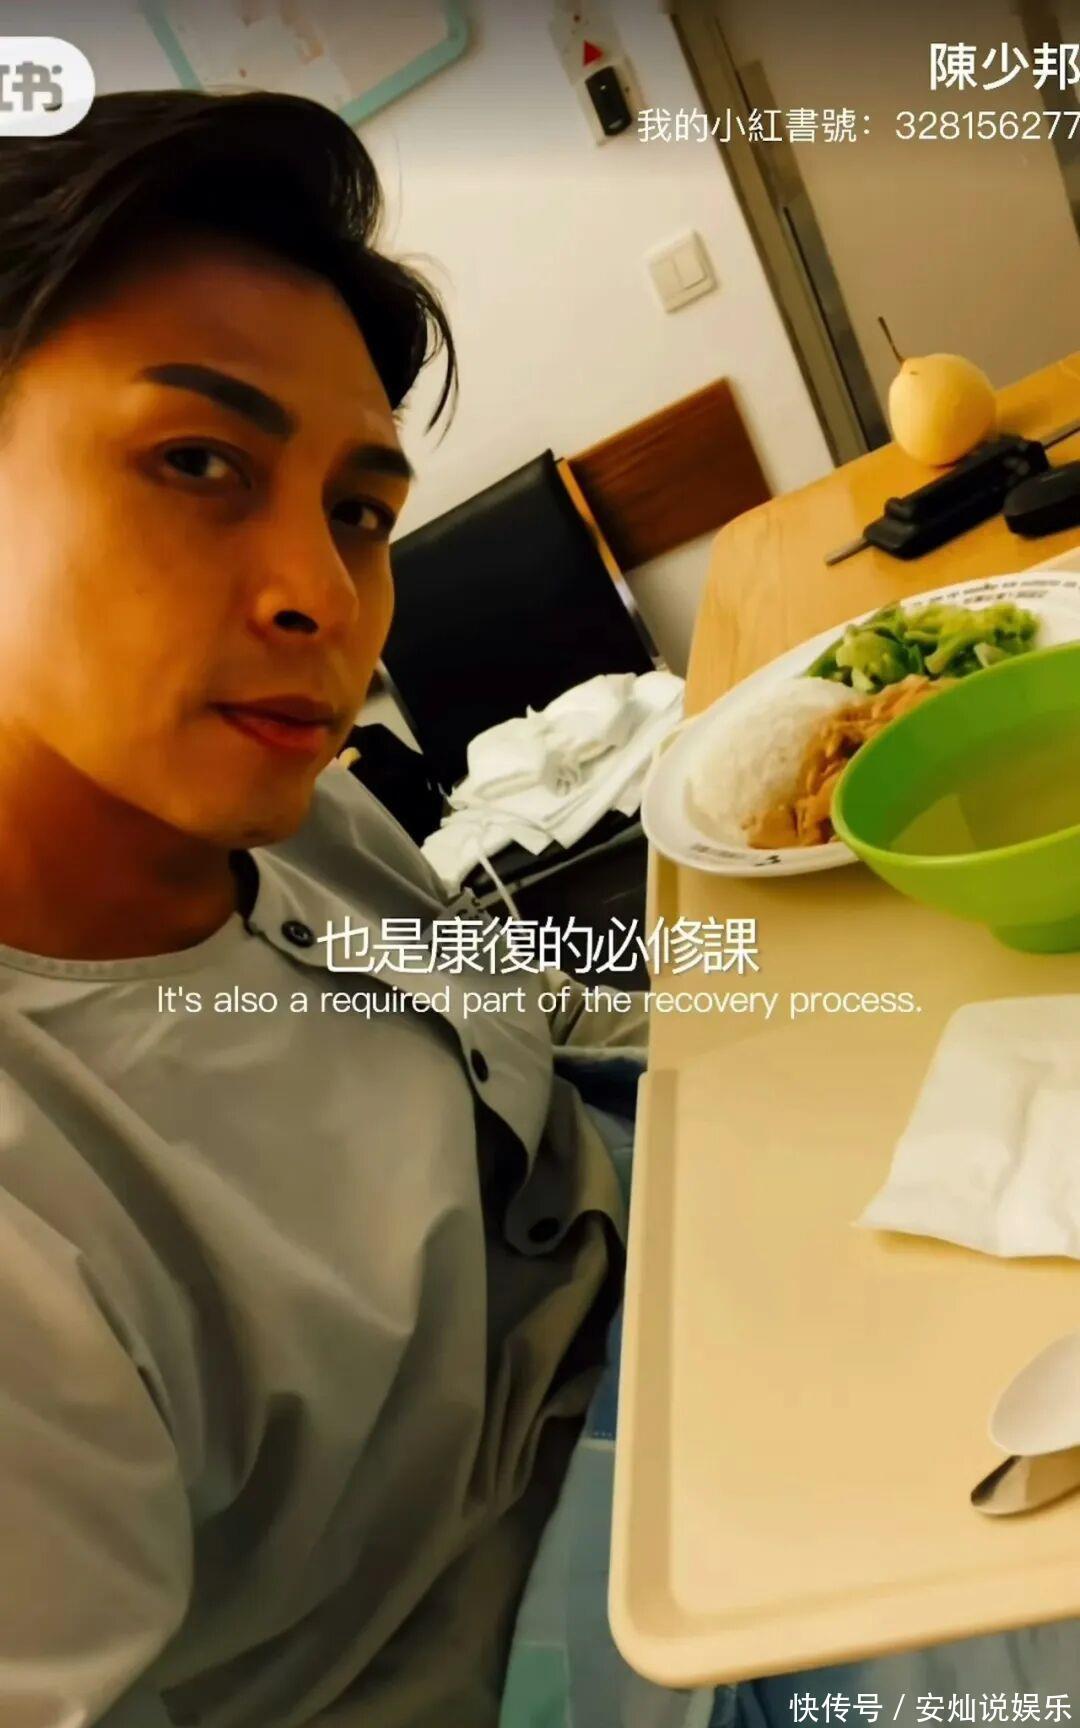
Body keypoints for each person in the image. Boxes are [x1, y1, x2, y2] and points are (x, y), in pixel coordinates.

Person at [0, 86, 642, 1728]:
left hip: (673, 1285)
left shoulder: (293, 806)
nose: (326, 597)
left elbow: (526, 1014)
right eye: (197, 461)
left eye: (360, 510)